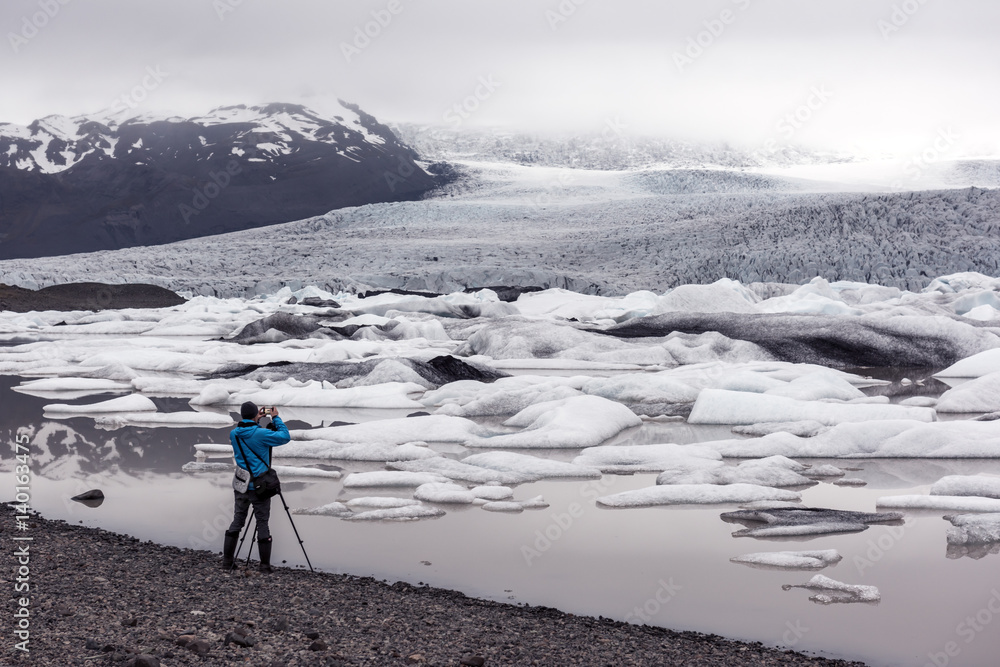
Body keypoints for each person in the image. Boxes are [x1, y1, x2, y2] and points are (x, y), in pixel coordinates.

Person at [222, 401, 290, 572]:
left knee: (237, 521)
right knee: (262, 523)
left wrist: (254, 420)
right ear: (255, 415)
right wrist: (276, 418)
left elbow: (247, 432)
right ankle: (264, 565)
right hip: (260, 487)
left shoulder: (234, 434)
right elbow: (284, 436)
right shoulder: (261, 434)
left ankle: (227, 562)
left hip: (241, 484)